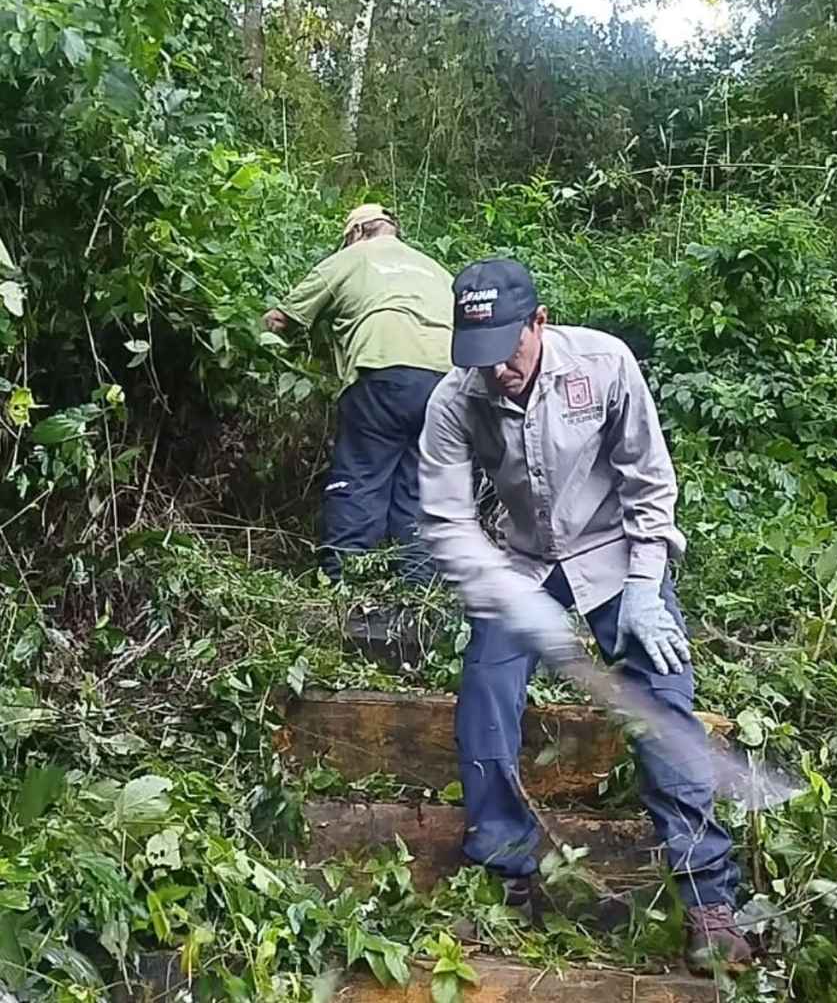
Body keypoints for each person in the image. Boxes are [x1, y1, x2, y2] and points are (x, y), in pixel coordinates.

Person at [414, 258, 752, 973]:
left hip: (613, 552)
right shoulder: (455, 399)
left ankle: (706, 897)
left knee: (660, 693)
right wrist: (508, 597)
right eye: (479, 354)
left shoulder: (603, 364)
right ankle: (507, 868)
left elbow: (649, 482)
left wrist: (646, 587)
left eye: (507, 348)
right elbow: (446, 521)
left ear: (538, 322)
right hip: (521, 563)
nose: (495, 370)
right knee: (485, 693)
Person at [263, 204, 452, 589]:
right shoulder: (436, 269)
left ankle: (342, 586)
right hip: (449, 384)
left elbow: (281, 320)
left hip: (384, 369)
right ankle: (417, 594)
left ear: (357, 233)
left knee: (360, 477)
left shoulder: (351, 257)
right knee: (420, 487)